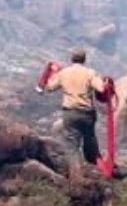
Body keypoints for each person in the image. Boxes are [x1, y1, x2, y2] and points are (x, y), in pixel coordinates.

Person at [43, 47, 108, 181]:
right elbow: (102, 88)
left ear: (71, 59)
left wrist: (52, 74)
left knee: (72, 147)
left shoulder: (64, 73)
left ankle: (77, 180)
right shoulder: (90, 73)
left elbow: (49, 87)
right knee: (90, 142)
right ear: (84, 60)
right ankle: (101, 170)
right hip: (88, 114)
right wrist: (106, 82)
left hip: (70, 114)